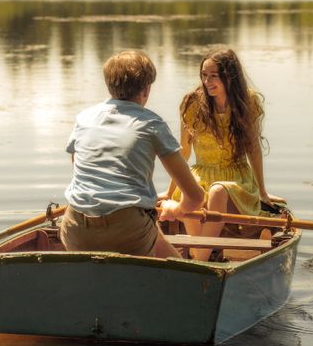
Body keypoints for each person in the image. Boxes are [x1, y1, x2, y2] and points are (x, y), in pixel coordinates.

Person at [61, 50, 205, 258]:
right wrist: (176, 209)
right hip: (127, 231)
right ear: (146, 89)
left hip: (76, 227)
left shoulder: (84, 118)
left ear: (109, 86)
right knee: (147, 229)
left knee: (154, 234)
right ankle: (190, 284)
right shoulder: (151, 124)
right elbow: (195, 197)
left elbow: (80, 172)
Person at [161, 47, 286, 261]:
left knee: (218, 191)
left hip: (236, 178)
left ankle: (199, 259)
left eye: (213, 76)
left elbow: (253, 149)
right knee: (187, 194)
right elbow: (183, 152)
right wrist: (169, 190)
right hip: (201, 174)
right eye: (204, 75)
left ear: (229, 76)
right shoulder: (192, 103)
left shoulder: (248, 101)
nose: (207, 81)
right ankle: (207, 253)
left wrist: (262, 192)